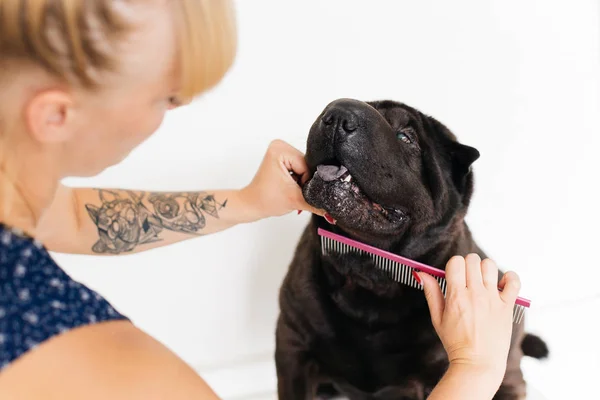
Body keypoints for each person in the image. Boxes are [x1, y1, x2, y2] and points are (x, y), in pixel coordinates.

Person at [0, 1, 521, 399]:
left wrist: (248, 201)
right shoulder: (109, 369)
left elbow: (68, 215)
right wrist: (474, 371)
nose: (168, 114)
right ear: (55, 116)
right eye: (167, 98)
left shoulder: (15, 199)